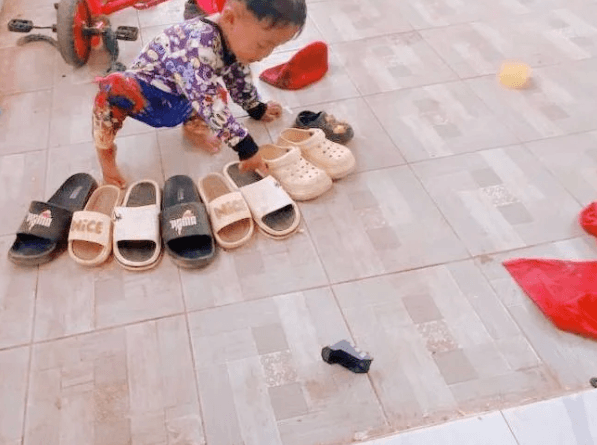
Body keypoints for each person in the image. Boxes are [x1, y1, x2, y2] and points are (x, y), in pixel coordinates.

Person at [92, 0, 307, 188]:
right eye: (263, 44)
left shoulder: (233, 41)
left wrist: (256, 108)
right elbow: (208, 103)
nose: (266, 55)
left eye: (274, 47)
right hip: (145, 95)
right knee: (111, 94)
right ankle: (106, 155)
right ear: (230, 18)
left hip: (183, 96)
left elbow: (239, 79)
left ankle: (192, 126)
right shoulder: (198, 45)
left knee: (213, 94)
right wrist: (246, 147)